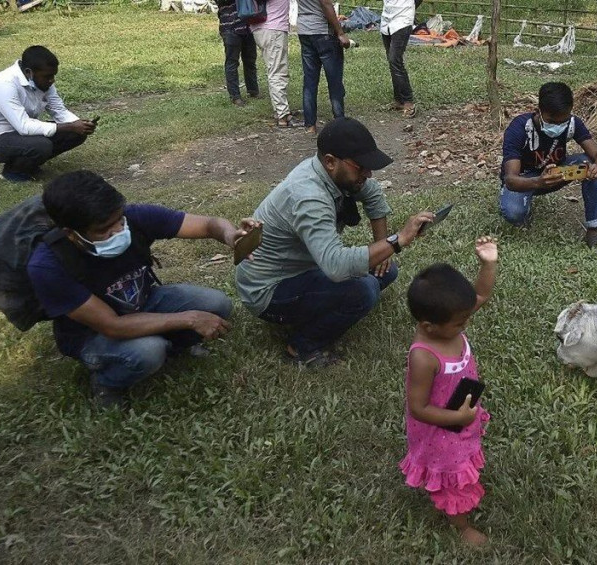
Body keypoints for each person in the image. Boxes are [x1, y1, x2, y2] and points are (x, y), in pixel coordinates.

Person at [27, 170, 260, 409]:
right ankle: (107, 382)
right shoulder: (48, 266)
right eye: (104, 230)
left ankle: (175, 348)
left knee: (217, 303)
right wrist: (189, 319)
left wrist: (231, 236)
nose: (118, 230)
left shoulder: (134, 218)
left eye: (119, 220)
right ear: (71, 234)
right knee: (148, 350)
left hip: (143, 302)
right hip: (93, 335)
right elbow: (112, 326)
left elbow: (209, 225)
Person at [236, 117, 433, 367]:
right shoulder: (309, 197)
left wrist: (383, 245)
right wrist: (397, 240)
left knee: (386, 270)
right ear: (330, 161)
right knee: (364, 290)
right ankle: (301, 346)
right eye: (361, 166)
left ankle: (318, 308)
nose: (368, 173)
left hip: (304, 269)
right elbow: (336, 266)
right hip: (269, 291)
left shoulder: (331, 173)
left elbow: (372, 193)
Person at [399, 236, 498, 547]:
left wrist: (488, 263)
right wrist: (457, 416)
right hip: (440, 430)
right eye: (461, 322)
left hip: (460, 415)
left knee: (463, 457)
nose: (467, 323)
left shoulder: (448, 321)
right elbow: (418, 407)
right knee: (452, 478)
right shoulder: (424, 356)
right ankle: (462, 527)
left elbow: (480, 293)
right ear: (429, 326)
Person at [500, 81, 597, 247]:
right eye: (552, 121)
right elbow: (510, 179)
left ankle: (594, 230)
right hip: (524, 181)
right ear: (538, 111)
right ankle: (525, 207)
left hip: (557, 174)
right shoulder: (519, 129)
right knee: (514, 214)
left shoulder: (573, 124)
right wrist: (538, 181)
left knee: (589, 163)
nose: (558, 126)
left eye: (563, 121)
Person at [0, 46, 96, 183]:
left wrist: (80, 125)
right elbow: (24, 126)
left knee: (76, 133)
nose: (52, 80)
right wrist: (70, 126)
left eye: (53, 75)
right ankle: (14, 173)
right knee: (41, 145)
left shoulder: (43, 82)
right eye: (48, 76)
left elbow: (59, 110)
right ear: (29, 72)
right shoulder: (4, 84)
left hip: (18, 134)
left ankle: (29, 164)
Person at [296, 0, 351, 134]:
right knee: (334, 81)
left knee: (309, 81)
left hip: (304, 30)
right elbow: (326, 3)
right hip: (322, 31)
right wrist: (340, 32)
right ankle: (339, 122)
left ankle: (310, 125)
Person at [251, 0, 298, 127]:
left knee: (274, 69)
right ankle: (282, 114)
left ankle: (280, 111)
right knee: (277, 72)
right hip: (273, 28)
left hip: (264, 27)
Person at [214, 0, 259, 106]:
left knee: (250, 60)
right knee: (232, 62)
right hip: (230, 27)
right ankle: (235, 96)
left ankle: (253, 90)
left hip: (248, 25)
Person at [380, 0, 417, 118]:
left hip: (403, 18)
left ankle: (408, 101)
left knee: (395, 59)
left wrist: (409, 6)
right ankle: (399, 100)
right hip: (387, 18)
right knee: (392, 61)